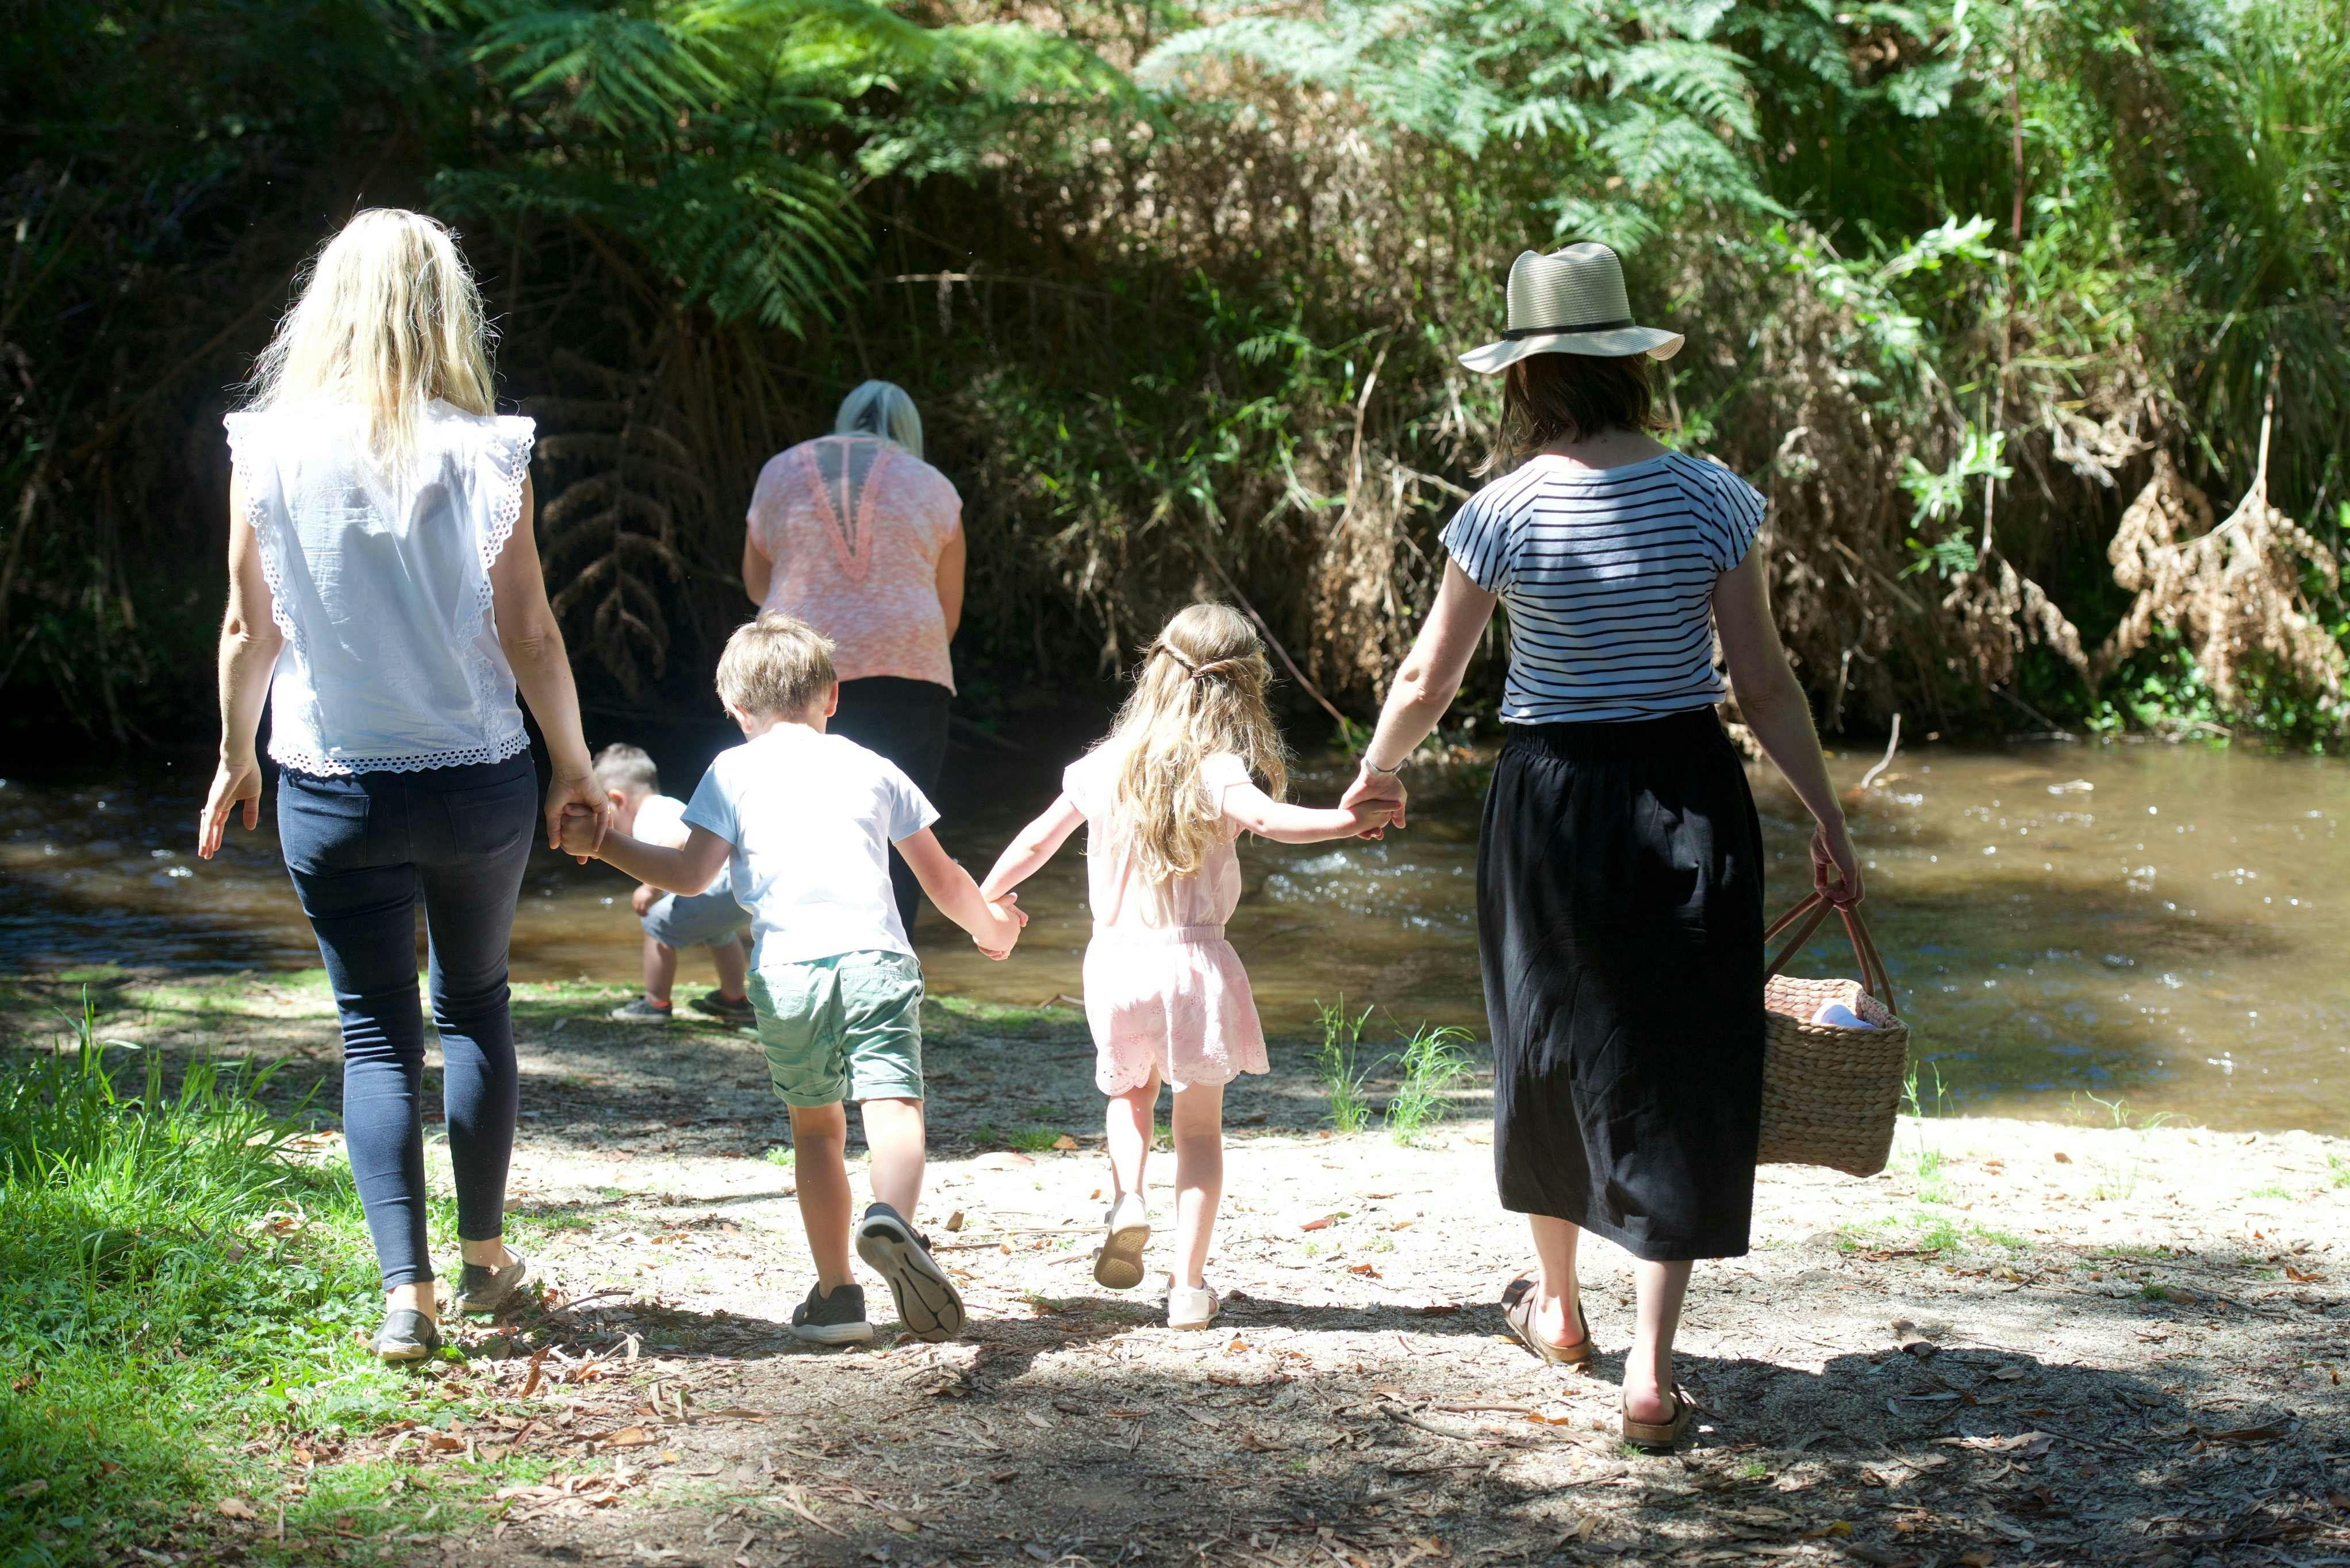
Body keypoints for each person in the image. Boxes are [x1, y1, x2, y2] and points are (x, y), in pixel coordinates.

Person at [1338, 243, 1863, 1449]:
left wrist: (1377, 769)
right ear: (1630, 364)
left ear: (1528, 378)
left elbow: (1428, 677)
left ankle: (1561, 1311)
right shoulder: (1712, 496)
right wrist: (1825, 818)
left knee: (1546, 1040)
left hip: (1551, 802)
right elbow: (1763, 683)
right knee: (1683, 1050)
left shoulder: (1501, 509)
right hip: (1687, 787)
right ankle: (1649, 1373)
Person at [196, 208, 611, 1363]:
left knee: (375, 1036)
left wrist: (236, 754)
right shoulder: (485, 450)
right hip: (476, 777)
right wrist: (574, 764)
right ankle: (484, 1261)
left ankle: (405, 1298)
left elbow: (247, 627)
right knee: (473, 1005)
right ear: (444, 312)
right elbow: (531, 632)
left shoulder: (267, 447)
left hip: (333, 783)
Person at [556, 612, 1023, 1345]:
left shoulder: (730, 771)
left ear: (736, 709)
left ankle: (838, 1297)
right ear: (832, 695)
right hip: (875, 959)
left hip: (786, 972)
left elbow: (688, 874)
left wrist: (606, 843)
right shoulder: (873, 765)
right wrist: (993, 927)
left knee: (815, 1129)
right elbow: (941, 880)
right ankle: (893, 1220)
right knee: (893, 1104)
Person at [977, 605, 1397, 1330]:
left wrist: (986, 900)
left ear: (1156, 670)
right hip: (1194, 964)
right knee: (1198, 1133)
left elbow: (1037, 841)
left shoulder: (1103, 763)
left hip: (1115, 966)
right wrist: (1348, 819)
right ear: (1241, 689)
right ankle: (1188, 1288)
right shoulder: (1218, 768)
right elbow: (1270, 821)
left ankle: (1127, 1199)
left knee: (1128, 1096)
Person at [742, 381, 963, 935]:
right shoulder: (934, 485)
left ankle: (796, 956)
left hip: (795, 668)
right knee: (903, 833)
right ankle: (894, 967)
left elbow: (756, 584)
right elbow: (949, 611)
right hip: (909, 667)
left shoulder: (780, 470)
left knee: (792, 825)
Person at [589, 743, 752, 1025]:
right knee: (720, 933)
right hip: (736, 885)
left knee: (656, 925)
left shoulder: (649, 816)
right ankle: (733, 998)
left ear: (617, 800)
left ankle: (656, 1003)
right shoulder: (668, 805)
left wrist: (649, 889)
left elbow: (678, 839)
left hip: (713, 884)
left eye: (604, 812)